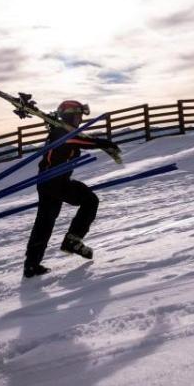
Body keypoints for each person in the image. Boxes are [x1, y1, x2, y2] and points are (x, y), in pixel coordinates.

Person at [23, 100, 120, 278]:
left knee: (45, 222)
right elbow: (77, 140)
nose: (80, 119)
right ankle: (71, 241)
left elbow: (78, 139)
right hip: (54, 181)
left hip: (49, 182)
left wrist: (102, 144)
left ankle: (31, 264)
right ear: (69, 115)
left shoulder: (62, 130)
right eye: (78, 116)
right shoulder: (62, 132)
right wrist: (102, 143)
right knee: (90, 200)